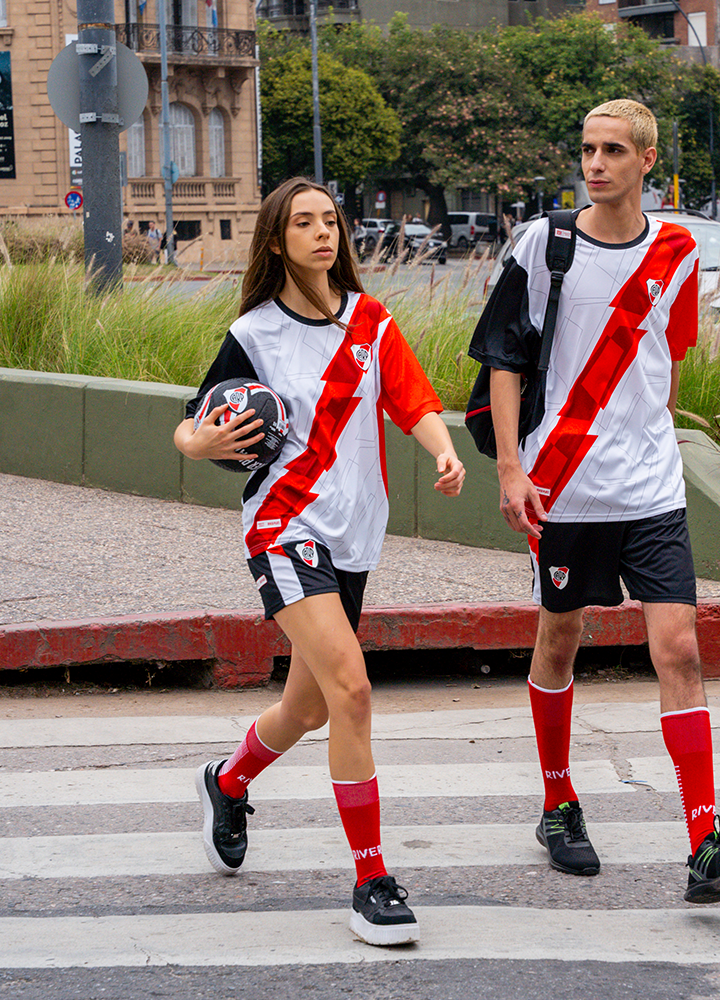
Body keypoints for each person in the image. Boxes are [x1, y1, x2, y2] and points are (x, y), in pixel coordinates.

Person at [468, 99, 720, 905]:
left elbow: (668, 357)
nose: (594, 164)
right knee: (560, 642)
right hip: (562, 483)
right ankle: (559, 802)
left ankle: (705, 838)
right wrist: (508, 469)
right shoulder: (545, 243)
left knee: (680, 650)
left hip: (651, 486)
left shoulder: (676, 251)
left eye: (611, 151)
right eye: (586, 149)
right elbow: (503, 358)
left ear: (646, 160)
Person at [173, 177, 466, 946]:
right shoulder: (255, 334)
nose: (321, 233)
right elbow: (194, 425)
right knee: (352, 690)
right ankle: (372, 880)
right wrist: (198, 443)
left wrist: (442, 452)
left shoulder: (371, 322)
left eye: (329, 220)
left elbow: (413, 401)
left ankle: (227, 781)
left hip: (355, 533)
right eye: (303, 223)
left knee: (306, 709)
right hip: (283, 526)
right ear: (277, 241)